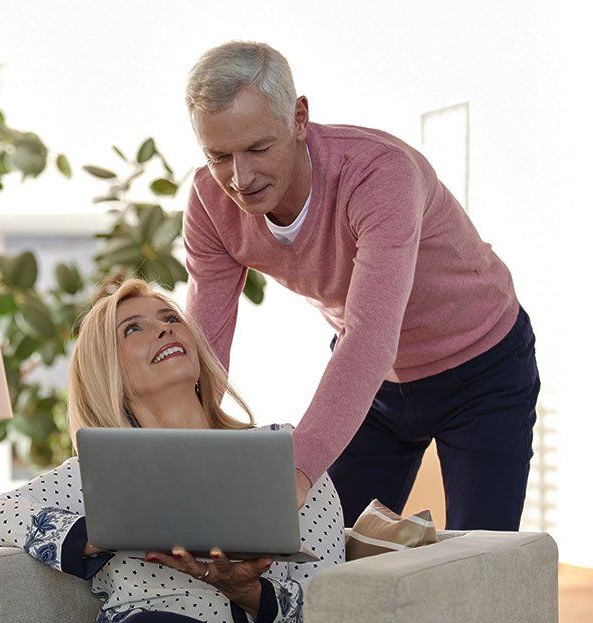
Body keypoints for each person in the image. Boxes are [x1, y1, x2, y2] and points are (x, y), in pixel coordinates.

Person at [182, 41, 541, 531]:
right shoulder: (209, 203)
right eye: (219, 155)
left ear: (298, 118)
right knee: (328, 552)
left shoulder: (380, 173)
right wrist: (173, 455)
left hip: (481, 368)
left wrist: (295, 470)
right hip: (380, 388)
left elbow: (371, 335)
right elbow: (205, 348)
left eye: (259, 148)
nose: (241, 178)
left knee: (482, 557)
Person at [0, 278, 345, 623]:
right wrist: (102, 534)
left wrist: (246, 591)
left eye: (170, 318)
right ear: (108, 374)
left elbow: (334, 614)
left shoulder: (285, 453)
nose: (165, 328)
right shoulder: (98, 473)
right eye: (133, 328)